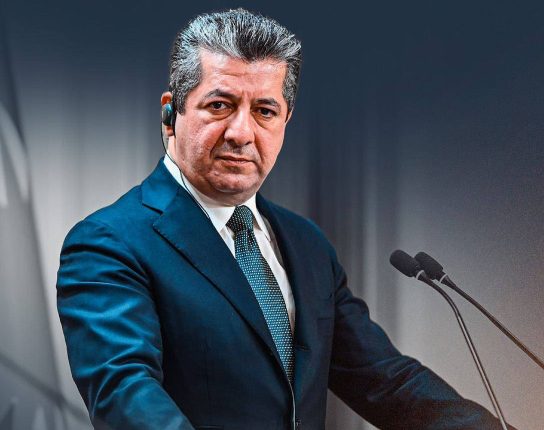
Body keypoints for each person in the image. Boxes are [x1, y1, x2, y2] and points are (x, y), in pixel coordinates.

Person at [57, 9, 509, 430]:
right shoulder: (108, 243)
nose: (241, 133)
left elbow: (386, 381)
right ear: (171, 113)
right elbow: (126, 395)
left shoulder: (306, 243)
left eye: (264, 111)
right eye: (219, 105)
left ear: (286, 119)